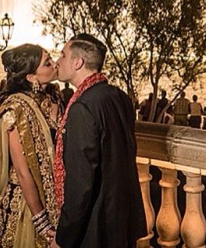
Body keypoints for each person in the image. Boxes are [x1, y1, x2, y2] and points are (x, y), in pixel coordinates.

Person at [53, 33, 146, 248]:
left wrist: (63, 238)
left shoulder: (82, 108)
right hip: (120, 220)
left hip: (94, 228)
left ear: (78, 62)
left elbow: (80, 183)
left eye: (63, 55)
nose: (58, 61)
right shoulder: (119, 97)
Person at [0, 44, 59, 247]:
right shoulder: (14, 111)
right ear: (32, 77)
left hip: (54, 194)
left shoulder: (51, 101)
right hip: (26, 203)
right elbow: (23, 171)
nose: (55, 64)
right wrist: (40, 220)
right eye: (47, 63)